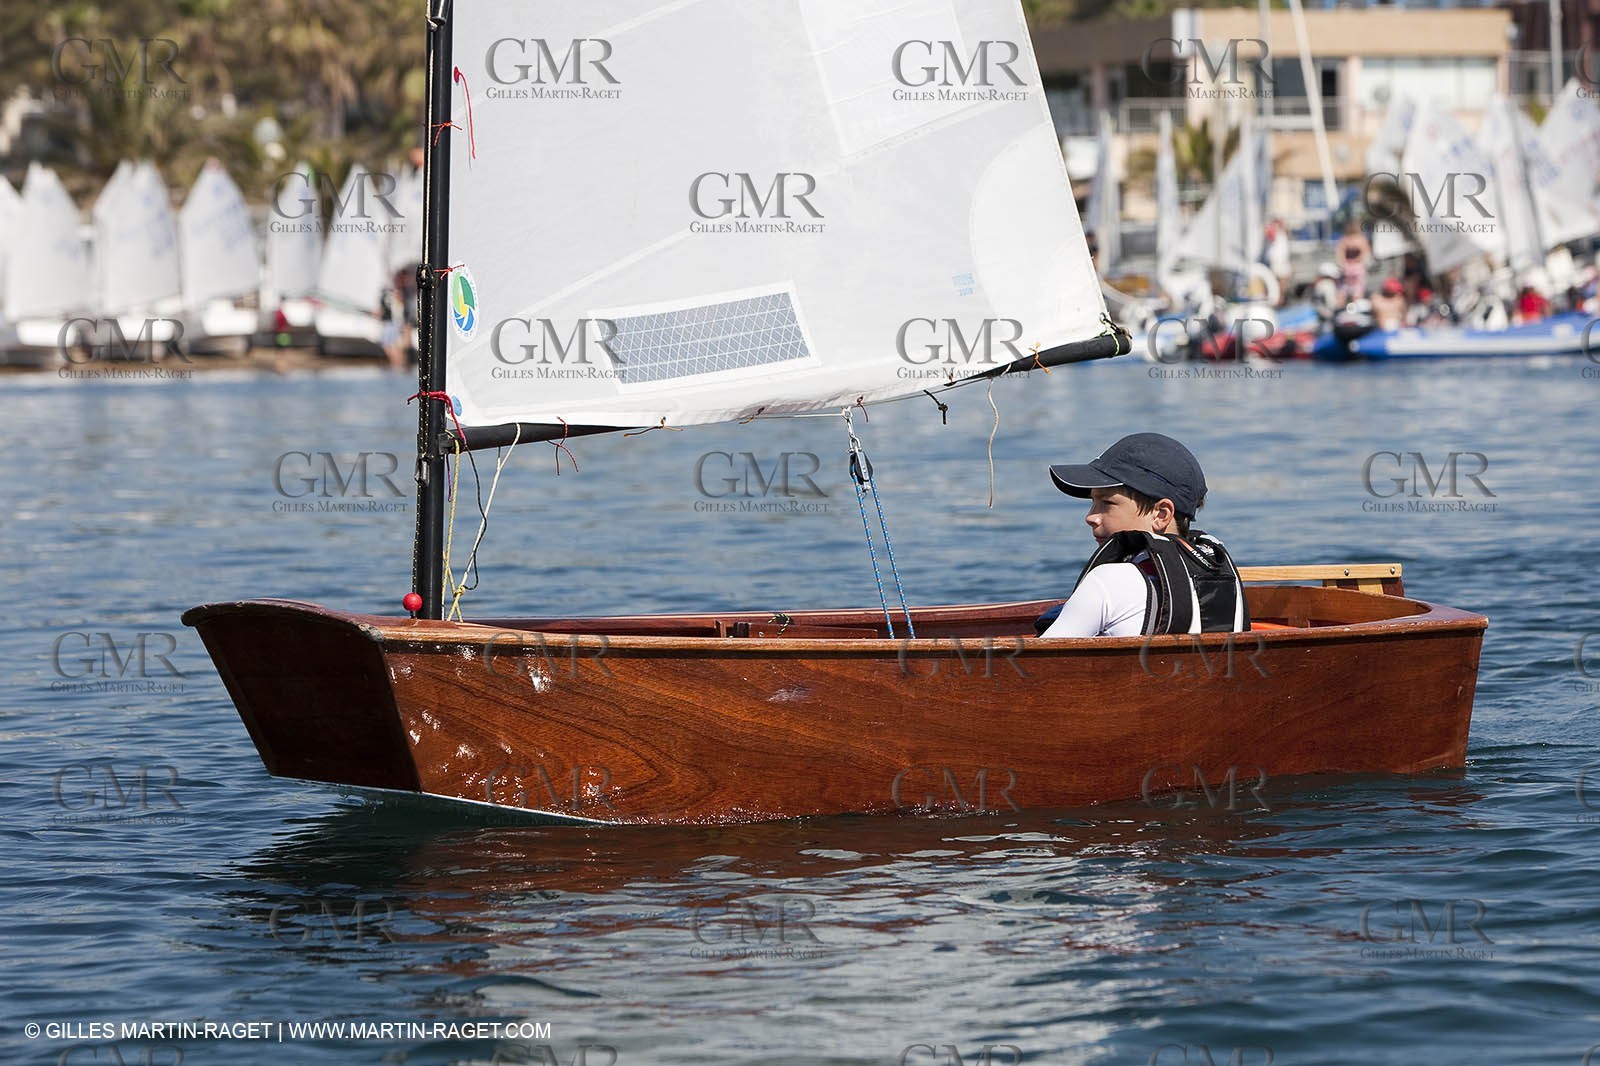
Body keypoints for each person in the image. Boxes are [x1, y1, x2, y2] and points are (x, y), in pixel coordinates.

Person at [1037, 433, 1249, 638]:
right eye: (1093, 503)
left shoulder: (1106, 582)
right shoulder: (1222, 579)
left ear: (1161, 514)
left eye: (1107, 503)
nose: (1090, 517)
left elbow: (1032, 667)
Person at [1335, 220, 1371, 301]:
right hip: (1352, 269)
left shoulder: (1345, 240)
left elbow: (1364, 254)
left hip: (1352, 269)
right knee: (1349, 293)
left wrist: (1347, 264)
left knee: (1347, 293)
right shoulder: (1360, 239)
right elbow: (1340, 254)